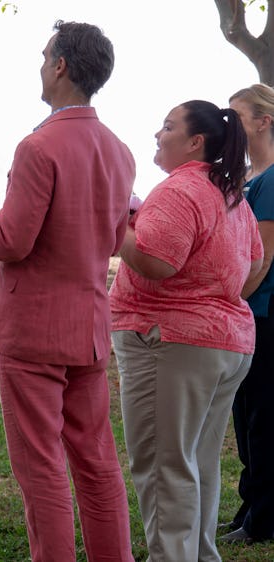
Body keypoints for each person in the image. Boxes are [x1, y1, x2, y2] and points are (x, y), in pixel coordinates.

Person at [0, 21, 135, 562]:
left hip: (34, 332)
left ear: (60, 66)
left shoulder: (39, 145)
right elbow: (106, 231)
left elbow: (13, 240)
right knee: (97, 463)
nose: (40, 64)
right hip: (90, 327)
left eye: (43, 55)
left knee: (42, 467)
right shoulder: (119, 149)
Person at [109, 100, 263, 561]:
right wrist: (216, 296)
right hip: (224, 343)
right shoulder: (228, 191)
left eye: (168, 126)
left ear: (195, 142)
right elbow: (254, 264)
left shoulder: (181, 191)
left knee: (163, 468)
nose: (158, 134)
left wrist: (118, 228)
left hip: (171, 343)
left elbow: (158, 261)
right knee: (196, 462)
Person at [218, 84, 274, 545]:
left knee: (262, 419)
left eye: (236, 116)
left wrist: (229, 304)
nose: (227, 125)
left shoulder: (272, 178)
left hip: (263, 315)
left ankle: (262, 521)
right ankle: (248, 509)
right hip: (247, 316)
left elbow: (264, 257)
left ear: (264, 121)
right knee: (244, 417)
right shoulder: (247, 175)